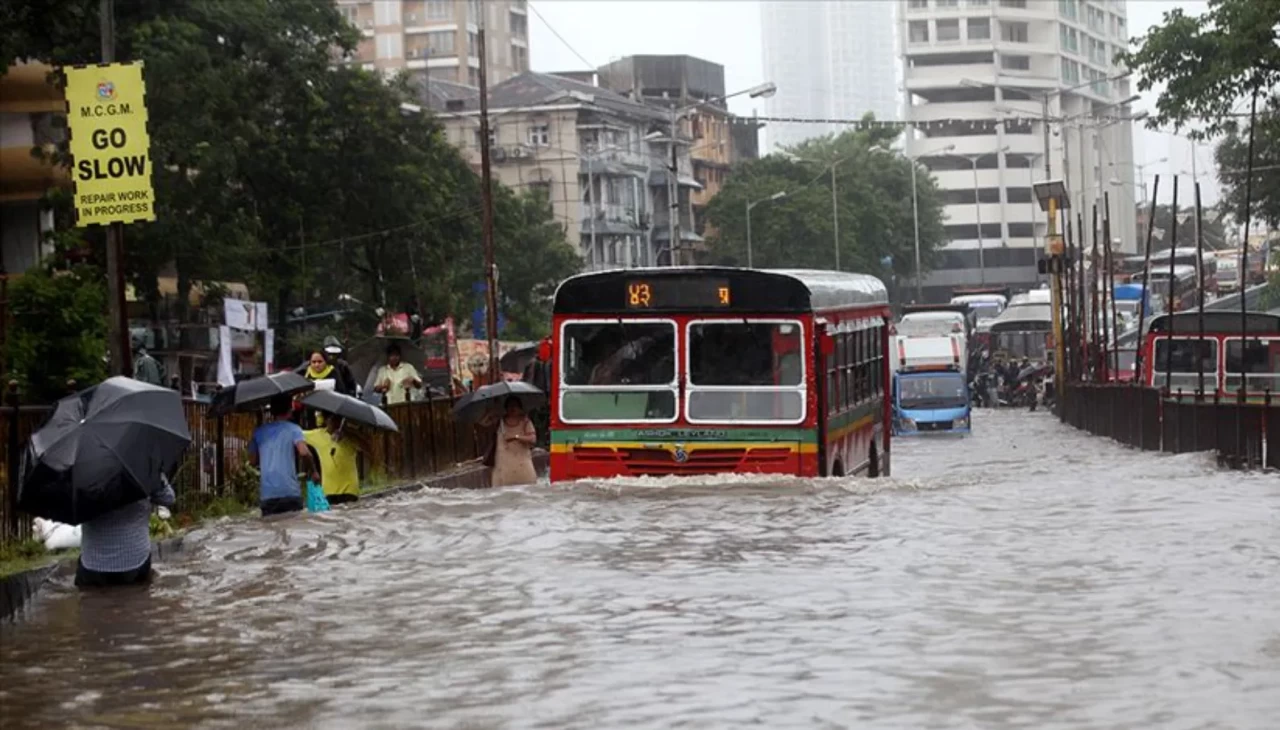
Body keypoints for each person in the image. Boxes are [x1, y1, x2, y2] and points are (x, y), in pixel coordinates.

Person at [76, 475, 174, 588]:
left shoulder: (82, 472)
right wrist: (158, 476)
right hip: (135, 560)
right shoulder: (144, 467)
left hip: (93, 564)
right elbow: (168, 498)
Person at [249, 395, 316, 516]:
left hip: (268, 496)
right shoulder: (294, 429)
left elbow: (252, 461)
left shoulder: (258, 432)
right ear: (290, 409)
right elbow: (304, 452)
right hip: (290, 493)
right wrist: (314, 471)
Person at [304, 417, 368, 506]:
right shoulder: (318, 434)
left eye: (338, 419)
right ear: (326, 420)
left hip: (349, 490)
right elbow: (297, 434)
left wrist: (348, 434)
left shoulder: (350, 437)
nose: (336, 423)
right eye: (332, 419)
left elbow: (367, 447)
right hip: (328, 491)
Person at [490, 396, 537, 487]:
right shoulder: (500, 422)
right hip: (503, 467)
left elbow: (532, 439)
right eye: (510, 406)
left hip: (523, 468)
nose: (512, 409)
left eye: (515, 406)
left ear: (520, 408)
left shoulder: (525, 422)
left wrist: (516, 437)